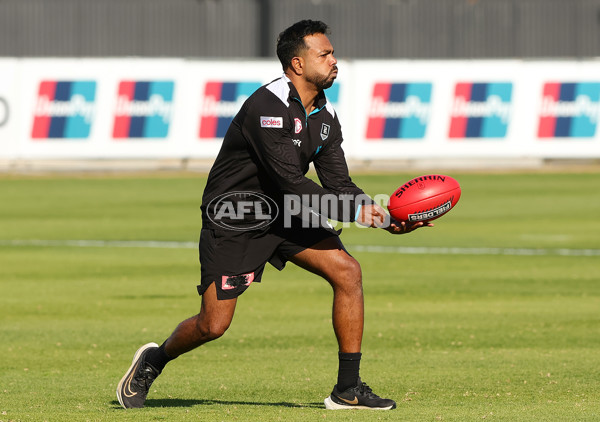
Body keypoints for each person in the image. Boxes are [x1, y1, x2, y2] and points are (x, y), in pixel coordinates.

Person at [116, 19, 431, 411]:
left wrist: (386, 218)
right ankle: (153, 360)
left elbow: (339, 184)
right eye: (326, 54)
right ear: (298, 64)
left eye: (333, 53)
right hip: (237, 216)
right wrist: (359, 212)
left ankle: (347, 389)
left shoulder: (325, 117)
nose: (336, 60)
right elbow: (291, 182)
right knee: (212, 325)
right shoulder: (267, 106)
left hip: (286, 212)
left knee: (348, 272)